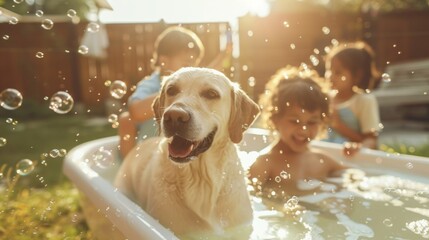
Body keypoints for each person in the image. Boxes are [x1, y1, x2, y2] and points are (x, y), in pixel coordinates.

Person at [248, 66, 348, 194]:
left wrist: (355, 149)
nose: (303, 130)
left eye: (312, 122)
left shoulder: (322, 161)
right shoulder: (265, 163)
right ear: (275, 119)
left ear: (322, 122)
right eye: (295, 121)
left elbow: (356, 176)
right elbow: (246, 200)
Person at [117, 26, 205, 158]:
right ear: (164, 61)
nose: (191, 71)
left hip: (177, 150)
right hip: (149, 155)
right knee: (125, 119)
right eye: (186, 65)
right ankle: (128, 167)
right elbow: (135, 111)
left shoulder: (191, 89)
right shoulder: (151, 84)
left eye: (194, 66)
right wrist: (173, 94)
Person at [323, 41, 382, 156]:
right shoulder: (325, 98)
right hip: (325, 157)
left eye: (338, 72)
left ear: (357, 75)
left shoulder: (364, 101)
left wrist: (339, 125)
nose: (331, 76)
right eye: (329, 70)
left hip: (350, 159)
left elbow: (372, 140)